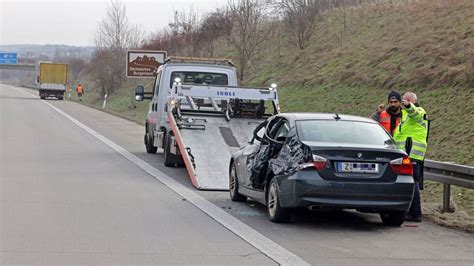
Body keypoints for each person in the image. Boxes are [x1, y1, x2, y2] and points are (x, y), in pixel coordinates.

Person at [393, 92, 429, 222]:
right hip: (408, 153)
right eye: (404, 100)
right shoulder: (406, 116)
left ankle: (415, 213)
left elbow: (414, 113)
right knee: (412, 182)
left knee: (413, 182)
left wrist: (409, 106)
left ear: (412, 100)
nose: (404, 102)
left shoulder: (417, 111)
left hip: (413, 153)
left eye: (407, 100)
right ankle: (412, 212)